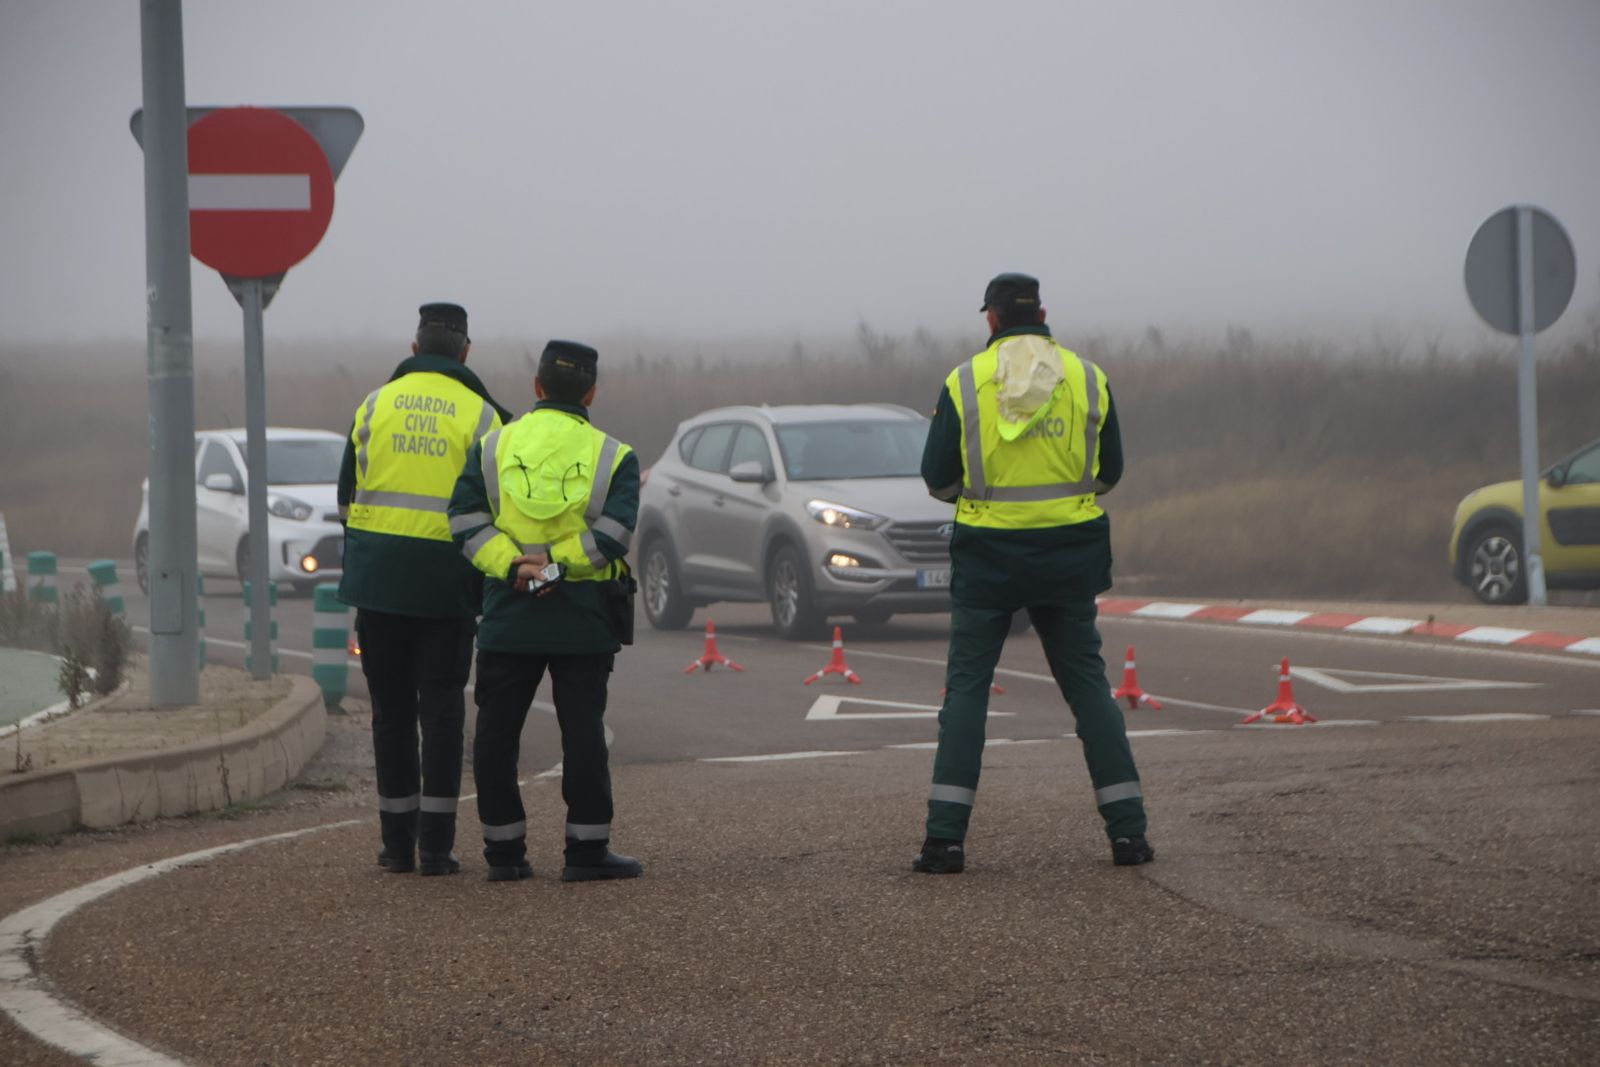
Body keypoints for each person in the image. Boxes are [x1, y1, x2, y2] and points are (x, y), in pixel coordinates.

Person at [914, 272, 1154, 874]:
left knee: (966, 691)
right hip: (1068, 556)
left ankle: (945, 842)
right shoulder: (1086, 377)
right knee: (1089, 691)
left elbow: (938, 479)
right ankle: (1129, 837)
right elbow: (1110, 471)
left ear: (991, 319)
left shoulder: (964, 381)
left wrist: (988, 500)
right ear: (1042, 312)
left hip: (989, 557)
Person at [448, 339, 643, 883]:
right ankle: (586, 852)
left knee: (496, 734)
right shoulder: (614, 454)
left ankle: (504, 855)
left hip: (509, 609)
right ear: (591, 392)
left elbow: (463, 521)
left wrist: (518, 568)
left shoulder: (493, 445)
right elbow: (615, 535)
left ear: (536, 387)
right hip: (582, 615)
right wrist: (556, 567)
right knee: (583, 733)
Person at [337, 303, 511, 876]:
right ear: (465, 353)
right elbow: (498, 505)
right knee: (440, 712)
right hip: (447, 586)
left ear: (415, 350)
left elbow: (346, 500)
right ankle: (436, 848)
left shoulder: (373, 405)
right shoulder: (484, 416)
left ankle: (395, 846)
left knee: (389, 713)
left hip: (379, 584)